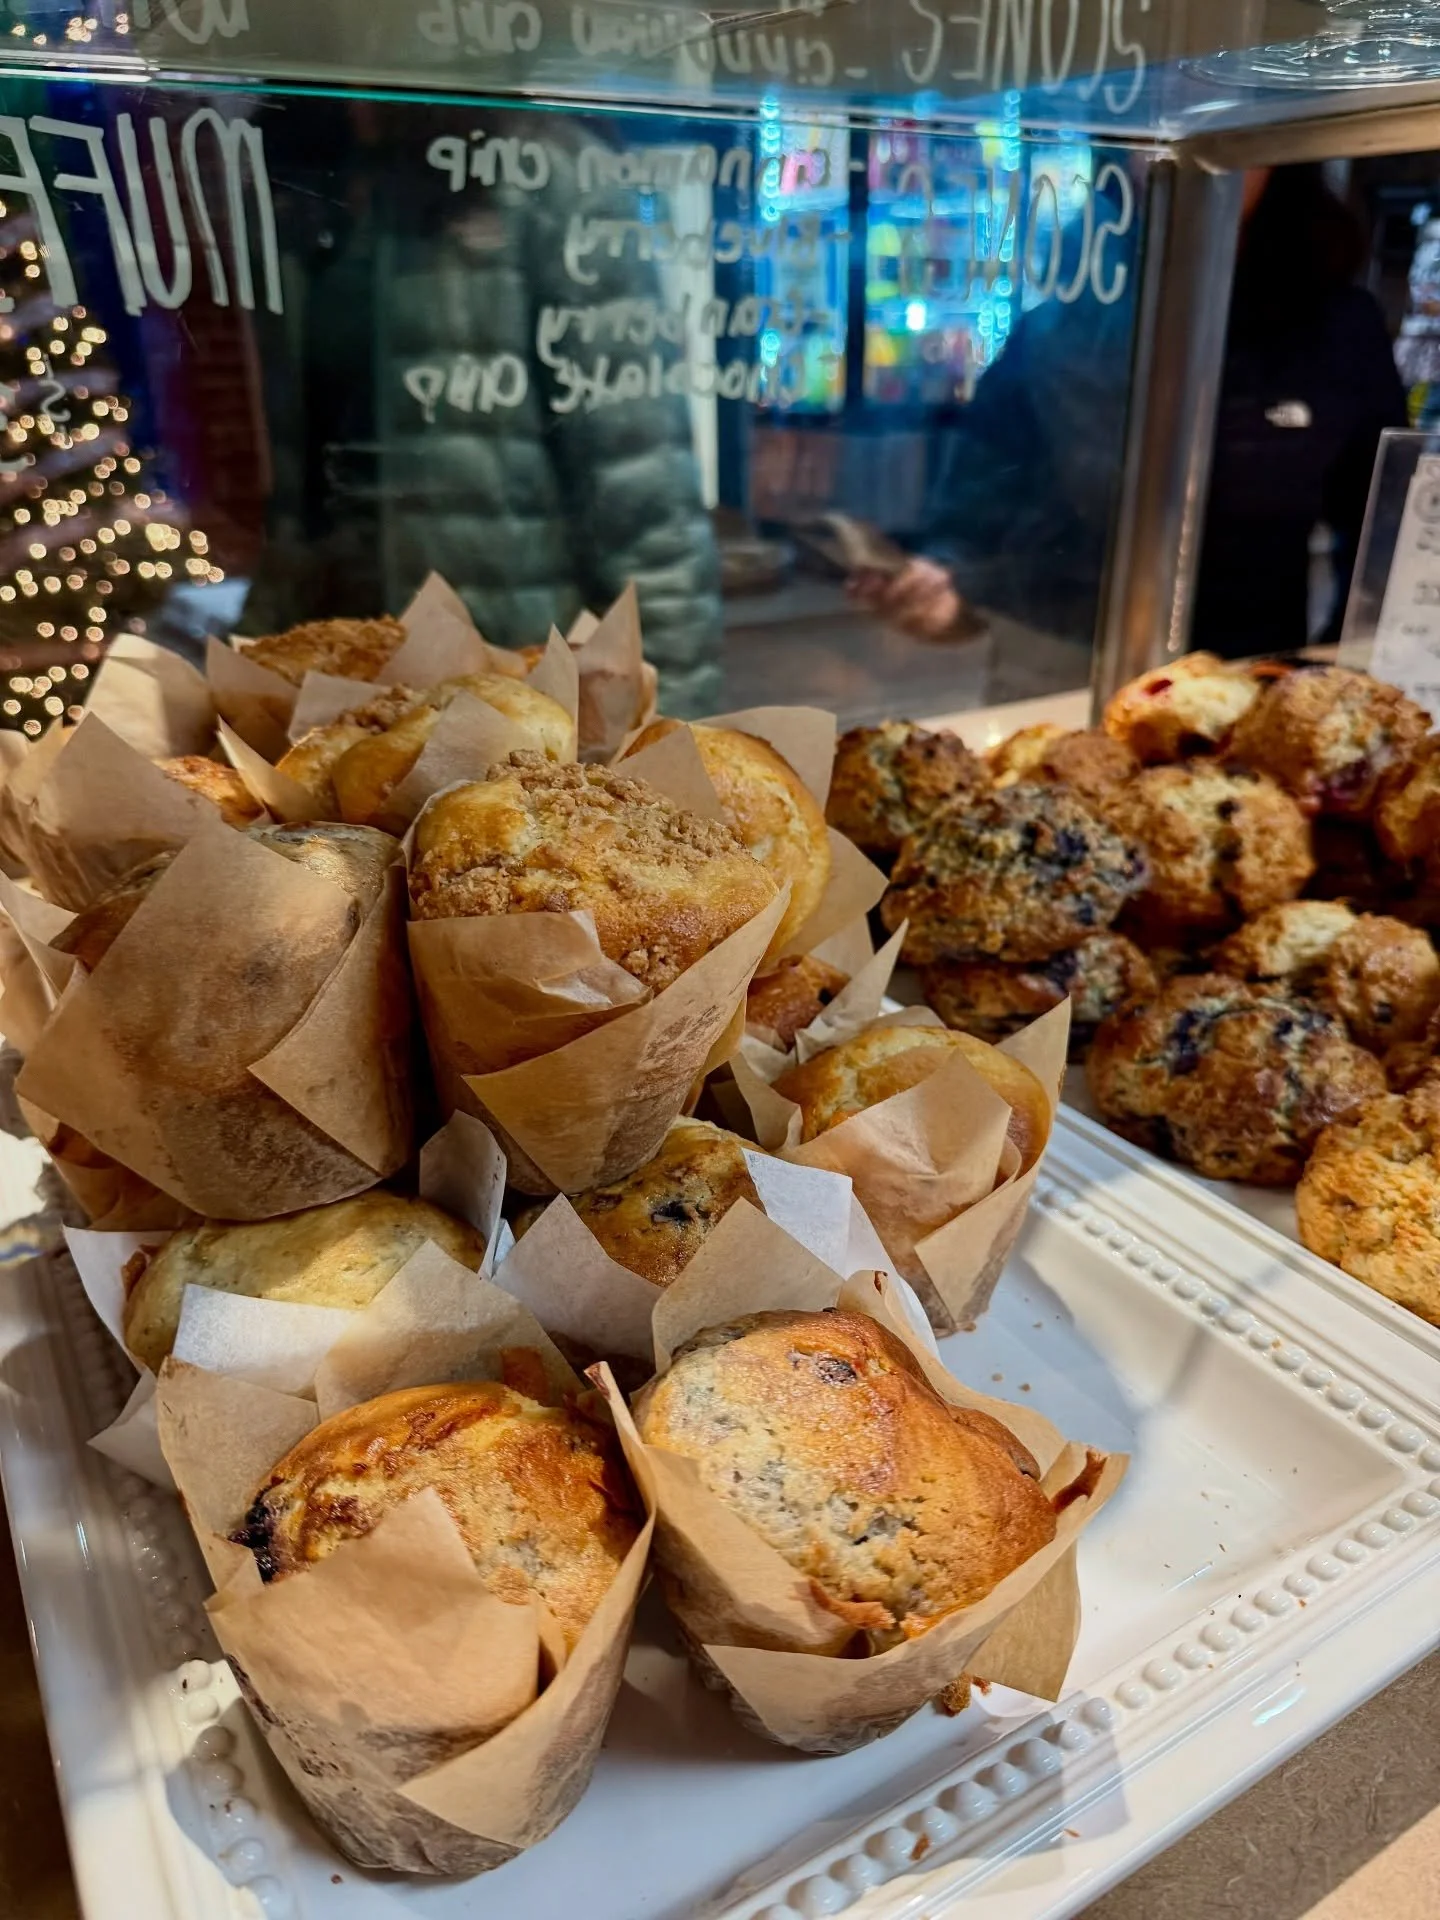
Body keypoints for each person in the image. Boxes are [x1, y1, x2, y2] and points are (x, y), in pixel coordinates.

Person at [245, 103, 724, 713]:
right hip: (336, 670)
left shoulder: (543, 164)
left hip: (513, 687)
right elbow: (301, 473)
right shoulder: (297, 158)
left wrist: (677, 738)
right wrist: (260, 644)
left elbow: (643, 488)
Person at [854, 166, 1407, 660]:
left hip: (1245, 684)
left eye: (1240, 139)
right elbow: (973, 522)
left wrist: (1341, 668)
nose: (1190, 159)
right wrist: (945, 594)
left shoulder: (1338, 331)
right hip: (1060, 666)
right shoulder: (1055, 328)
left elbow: (1383, 527)